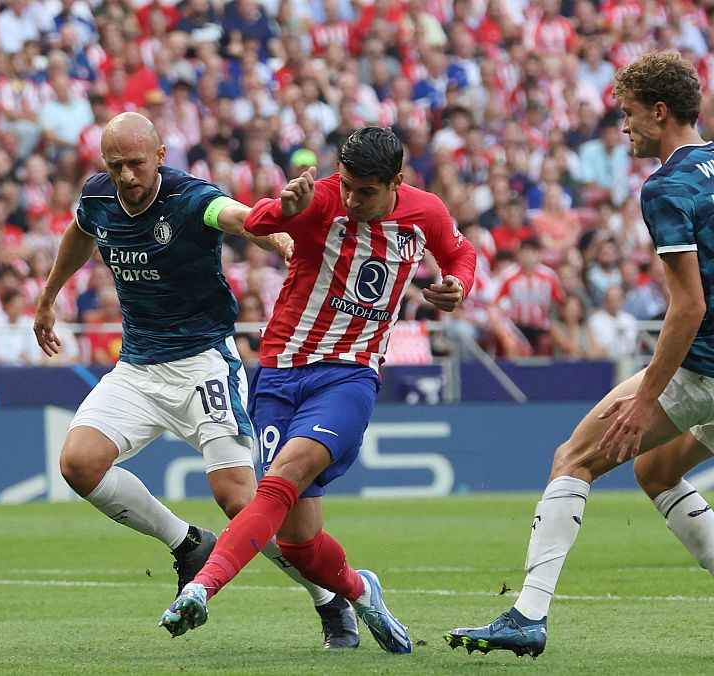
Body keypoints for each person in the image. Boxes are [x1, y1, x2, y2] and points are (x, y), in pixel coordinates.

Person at [33, 112, 362, 650]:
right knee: (78, 463)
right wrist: (48, 299)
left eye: (136, 164)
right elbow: (80, 231)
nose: (126, 177)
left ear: (160, 156)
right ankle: (186, 543)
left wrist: (280, 233)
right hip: (138, 368)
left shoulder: (190, 198)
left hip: (203, 363)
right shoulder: (99, 198)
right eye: (115, 166)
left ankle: (329, 599)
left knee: (240, 500)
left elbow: (236, 217)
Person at [159, 126, 477, 655]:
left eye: (366, 191)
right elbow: (257, 223)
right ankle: (360, 591)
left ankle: (202, 586)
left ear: (397, 181)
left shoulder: (426, 213)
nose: (351, 199)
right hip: (280, 373)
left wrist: (458, 286)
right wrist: (283, 208)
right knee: (299, 545)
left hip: (349, 376)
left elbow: (459, 254)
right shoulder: (320, 197)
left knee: (279, 480)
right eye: (347, 184)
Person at [445, 51, 714, 658]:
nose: (624, 127)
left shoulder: (667, 187)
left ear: (660, 112)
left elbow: (688, 308)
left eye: (629, 114)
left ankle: (527, 614)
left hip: (706, 368)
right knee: (658, 471)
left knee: (574, 458)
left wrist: (646, 400)